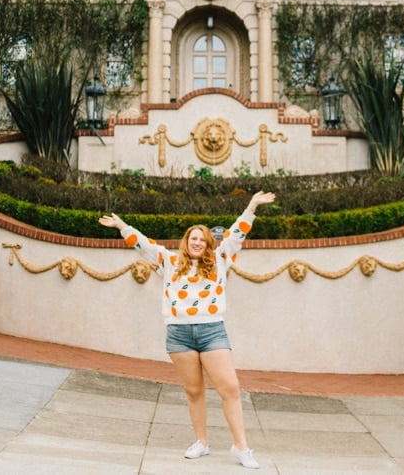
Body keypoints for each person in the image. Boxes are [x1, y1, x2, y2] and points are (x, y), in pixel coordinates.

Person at [98, 190, 276, 470]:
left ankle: (241, 447)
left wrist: (252, 205)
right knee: (194, 391)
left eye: (202, 240)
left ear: (208, 244)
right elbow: (143, 245)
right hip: (179, 334)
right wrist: (123, 227)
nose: (197, 243)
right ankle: (201, 442)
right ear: (186, 241)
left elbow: (236, 233)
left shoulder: (220, 260)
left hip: (212, 331)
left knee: (229, 387)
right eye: (193, 238)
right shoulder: (169, 262)